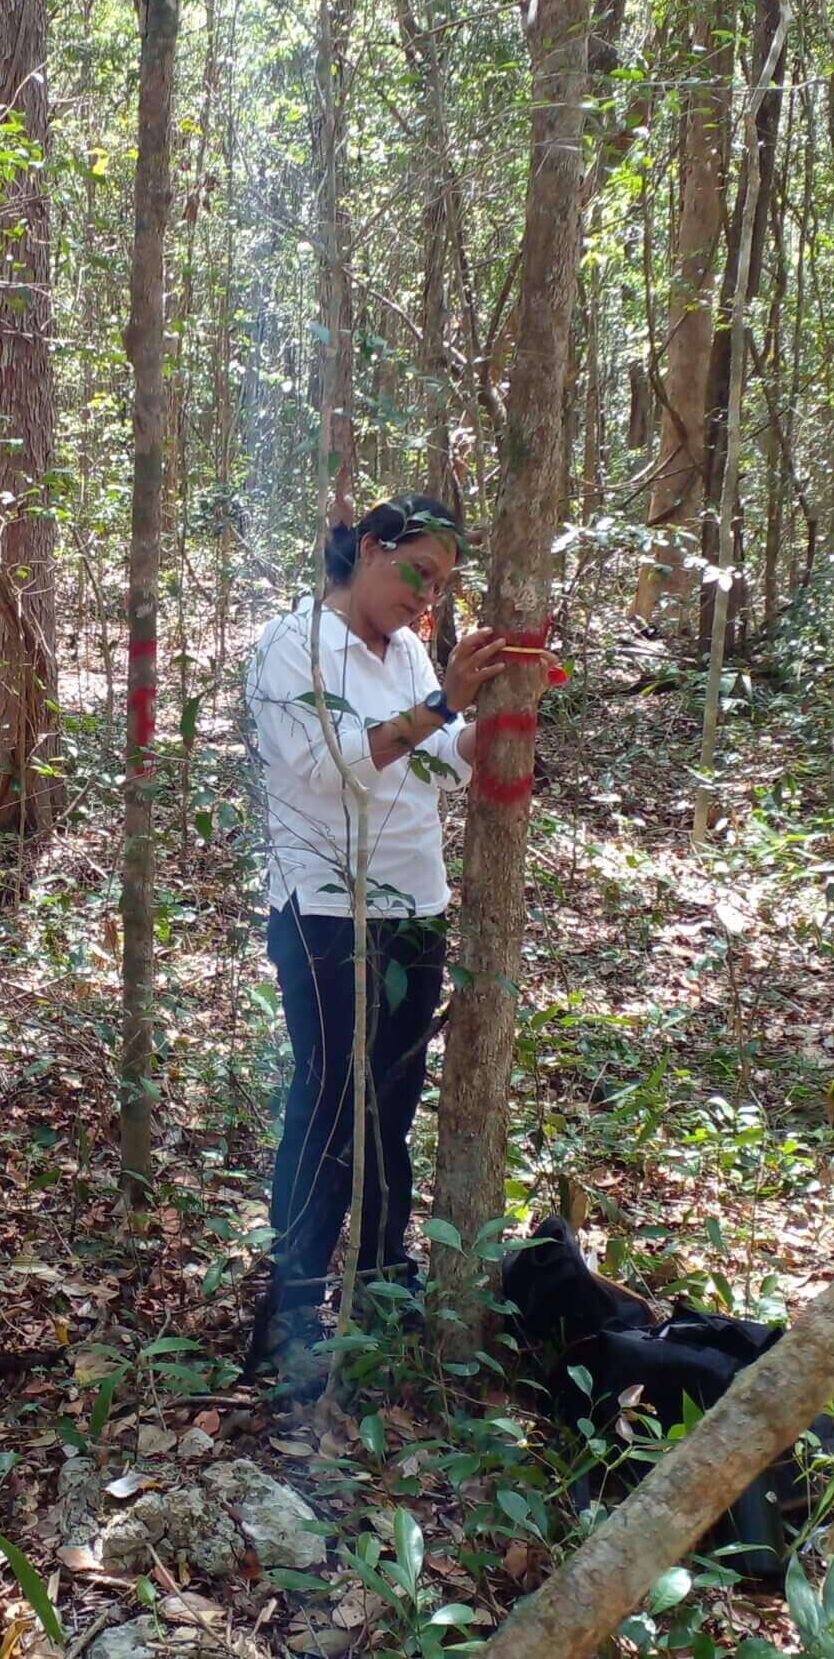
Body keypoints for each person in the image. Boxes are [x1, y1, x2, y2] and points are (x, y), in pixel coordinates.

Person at [240, 494, 540, 1395]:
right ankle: (290, 1310)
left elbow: (443, 756)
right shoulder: (290, 644)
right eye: (418, 573)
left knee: (391, 1106)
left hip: (415, 905)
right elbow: (333, 766)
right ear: (369, 548)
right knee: (329, 1106)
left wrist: (505, 703)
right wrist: (441, 700)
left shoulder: (408, 650)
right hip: (326, 913)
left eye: (443, 586)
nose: (426, 600)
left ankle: (380, 1276)